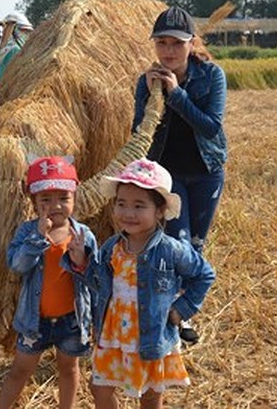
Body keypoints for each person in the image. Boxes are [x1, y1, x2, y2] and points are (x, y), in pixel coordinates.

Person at [68, 158, 215, 408]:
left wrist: (182, 309)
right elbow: (98, 282)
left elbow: (204, 274)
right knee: (100, 388)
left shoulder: (171, 250)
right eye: (121, 204)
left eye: (139, 205)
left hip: (149, 335)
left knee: (150, 395)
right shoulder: (111, 247)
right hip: (113, 334)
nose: (128, 213)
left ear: (159, 211)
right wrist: (81, 261)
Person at [132, 6, 225, 343]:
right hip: (168, 177)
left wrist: (177, 95)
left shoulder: (212, 75)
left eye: (176, 43)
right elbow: (138, 130)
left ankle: (182, 313)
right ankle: (173, 319)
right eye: (162, 43)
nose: (168, 51)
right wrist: (151, 95)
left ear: (191, 44)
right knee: (178, 243)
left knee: (196, 247)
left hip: (206, 171)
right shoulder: (147, 81)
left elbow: (212, 127)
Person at [0, 156, 97, 409]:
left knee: (69, 368)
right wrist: (38, 239)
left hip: (72, 320)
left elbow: (95, 279)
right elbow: (17, 266)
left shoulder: (83, 235)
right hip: (34, 321)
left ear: (74, 197)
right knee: (19, 370)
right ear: (34, 202)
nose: (56, 206)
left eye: (63, 198)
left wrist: (81, 260)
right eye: (46, 200)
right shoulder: (27, 232)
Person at [0, 12, 33, 88]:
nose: (26, 34)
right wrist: (7, 28)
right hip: (6, 87)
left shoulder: (18, 47)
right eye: (23, 30)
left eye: (27, 31)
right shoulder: (14, 49)